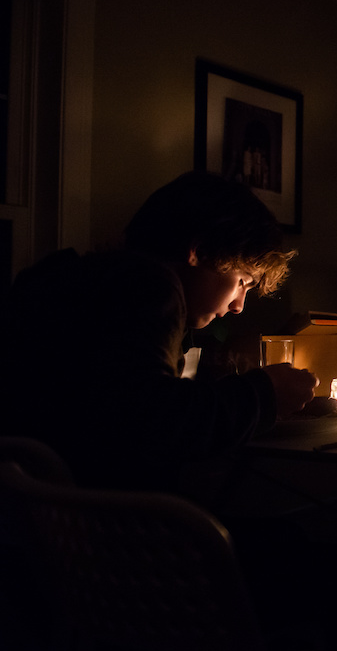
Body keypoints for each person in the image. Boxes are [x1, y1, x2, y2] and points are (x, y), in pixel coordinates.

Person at [0, 171, 318, 495]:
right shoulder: (148, 287)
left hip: (36, 510)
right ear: (199, 251)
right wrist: (264, 394)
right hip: (100, 524)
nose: (239, 305)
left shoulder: (82, 281)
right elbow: (155, 419)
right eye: (242, 281)